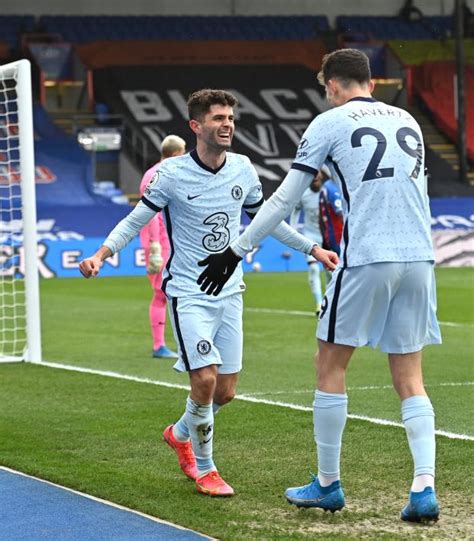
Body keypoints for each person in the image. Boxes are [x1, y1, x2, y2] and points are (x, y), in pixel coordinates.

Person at [197, 49, 442, 522]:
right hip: (420, 256)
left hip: (368, 255)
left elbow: (282, 199)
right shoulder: (407, 120)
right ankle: (423, 486)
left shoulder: (328, 123)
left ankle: (327, 483)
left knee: (329, 363)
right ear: (370, 81)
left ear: (331, 84)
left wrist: (236, 250)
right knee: (410, 377)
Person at [79, 89, 337, 498]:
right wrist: (101, 253)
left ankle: (180, 433)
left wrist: (313, 248)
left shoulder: (243, 168)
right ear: (196, 126)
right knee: (203, 380)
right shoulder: (172, 175)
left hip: (231, 291)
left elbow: (266, 219)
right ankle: (205, 468)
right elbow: (134, 220)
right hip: (188, 291)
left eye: (231, 116)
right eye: (218, 117)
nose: (227, 123)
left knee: (226, 391)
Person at [139, 135, 186, 359]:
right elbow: (151, 215)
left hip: (171, 242)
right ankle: (159, 345)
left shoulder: (159, 173)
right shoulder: (156, 176)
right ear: (177, 153)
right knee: (162, 293)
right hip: (160, 243)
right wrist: (155, 248)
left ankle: (175, 342)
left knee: (173, 291)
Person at [289, 173, 324, 315]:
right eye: (313, 177)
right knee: (314, 269)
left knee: (330, 272)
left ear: (321, 177)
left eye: (317, 176)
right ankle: (319, 303)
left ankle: (331, 301)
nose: (315, 179)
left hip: (328, 236)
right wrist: (293, 231)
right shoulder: (303, 194)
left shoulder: (329, 192)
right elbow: (295, 211)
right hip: (311, 236)